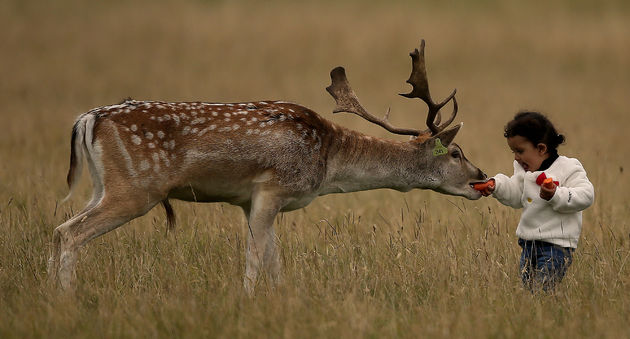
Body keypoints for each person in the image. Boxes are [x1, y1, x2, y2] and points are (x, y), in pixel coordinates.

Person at [479, 111, 594, 291]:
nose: (516, 157)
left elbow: (586, 195)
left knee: (541, 291)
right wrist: (497, 186)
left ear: (541, 148)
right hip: (528, 244)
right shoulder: (525, 170)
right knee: (529, 290)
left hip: (556, 246)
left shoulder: (568, 167)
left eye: (520, 151)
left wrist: (556, 194)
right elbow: (516, 194)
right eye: (513, 151)